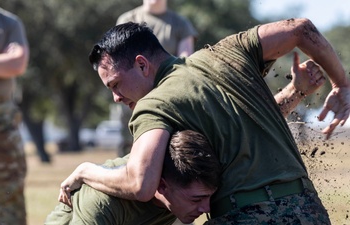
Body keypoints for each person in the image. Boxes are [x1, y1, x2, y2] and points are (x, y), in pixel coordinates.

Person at [61, 18, 350, 224]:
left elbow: (140, 183)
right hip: (309, 211)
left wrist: (86, 171)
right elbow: (301, 29)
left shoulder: (154, 104)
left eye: (115, 84)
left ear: (141, 64)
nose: (116, 98)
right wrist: (341, 85)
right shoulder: (227, 52)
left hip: (243, 215)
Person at [45, 130, 221, 224]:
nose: (206, 208)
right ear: (160, 186)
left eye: (209, 197)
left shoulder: (177, 200)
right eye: (197, 199)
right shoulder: (102, 202)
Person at [116, 0, 198, 158]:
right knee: (129, 150)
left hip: (166, 97)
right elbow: (119, 62)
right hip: (133, 97)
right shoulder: (127, 19)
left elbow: (185, 61)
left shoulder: (181, 24)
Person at [0, 1, 29, 225]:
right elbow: (8, 64)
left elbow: (17, 63)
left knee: (10, 199)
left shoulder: (8, 23)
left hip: (2, 124)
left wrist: (9, 64)